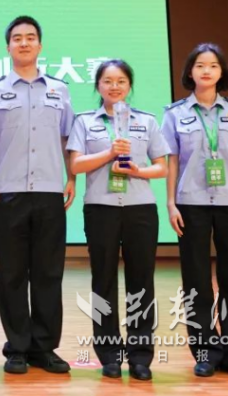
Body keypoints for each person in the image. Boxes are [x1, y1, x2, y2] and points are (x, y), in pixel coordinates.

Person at [0, 15, 75, 374]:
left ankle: (44, 348)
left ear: (40, 45)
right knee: (13, 274)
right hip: (8, 193)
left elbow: (68, 138)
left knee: (49, 273)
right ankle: (17, 347)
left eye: (30, 37)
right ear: (8, 47)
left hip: (50, 191)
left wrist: (71, 178)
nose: (24, 42)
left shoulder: (59, 89)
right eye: (17, 38)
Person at [162, 43, 228, 380]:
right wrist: (171, 202)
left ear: (222, 72)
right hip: (191, 203)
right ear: (190, 72)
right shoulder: (174, 113)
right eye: (200, 65)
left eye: (213, 65)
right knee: (196, 280)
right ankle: (205, 352)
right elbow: (172, 162)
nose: (206, 70)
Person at [67, 59, 169, 381]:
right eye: (108, 81)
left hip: (140, 209)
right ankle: (109, 354)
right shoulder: (85, 122)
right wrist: (109, 153)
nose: (114, 86)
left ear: (129, 85)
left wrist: (139, 170)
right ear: (98, 86)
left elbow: (162, 167)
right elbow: (75, 165)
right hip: (101, 209)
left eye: (121, 81)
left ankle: (140, 356)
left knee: (142, 281)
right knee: (104, 281)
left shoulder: (146, 121)